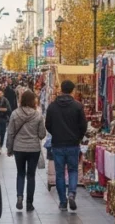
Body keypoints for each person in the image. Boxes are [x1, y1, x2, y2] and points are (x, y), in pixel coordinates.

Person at [45, 80, 87, 211]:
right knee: (73, 170)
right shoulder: (78, 106)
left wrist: (56, 133)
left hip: (58, 144)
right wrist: (78, 137)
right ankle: (72, 194)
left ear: (61, 89)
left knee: (60, 173)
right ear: (72, 90)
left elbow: (48, 125)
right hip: (73, 144)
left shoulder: (52, 106)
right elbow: (83, 126)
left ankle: (63, 201)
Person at [6, 90, 46, 212]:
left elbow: (11, 132)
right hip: (33, 148)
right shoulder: (38, 115)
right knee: (31, 175)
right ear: (33, 101)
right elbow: (42, 134)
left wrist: (9, 148)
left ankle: (19, 197)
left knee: (20, 173)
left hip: (19, 148)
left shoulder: (15, 114)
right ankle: (29, 203)